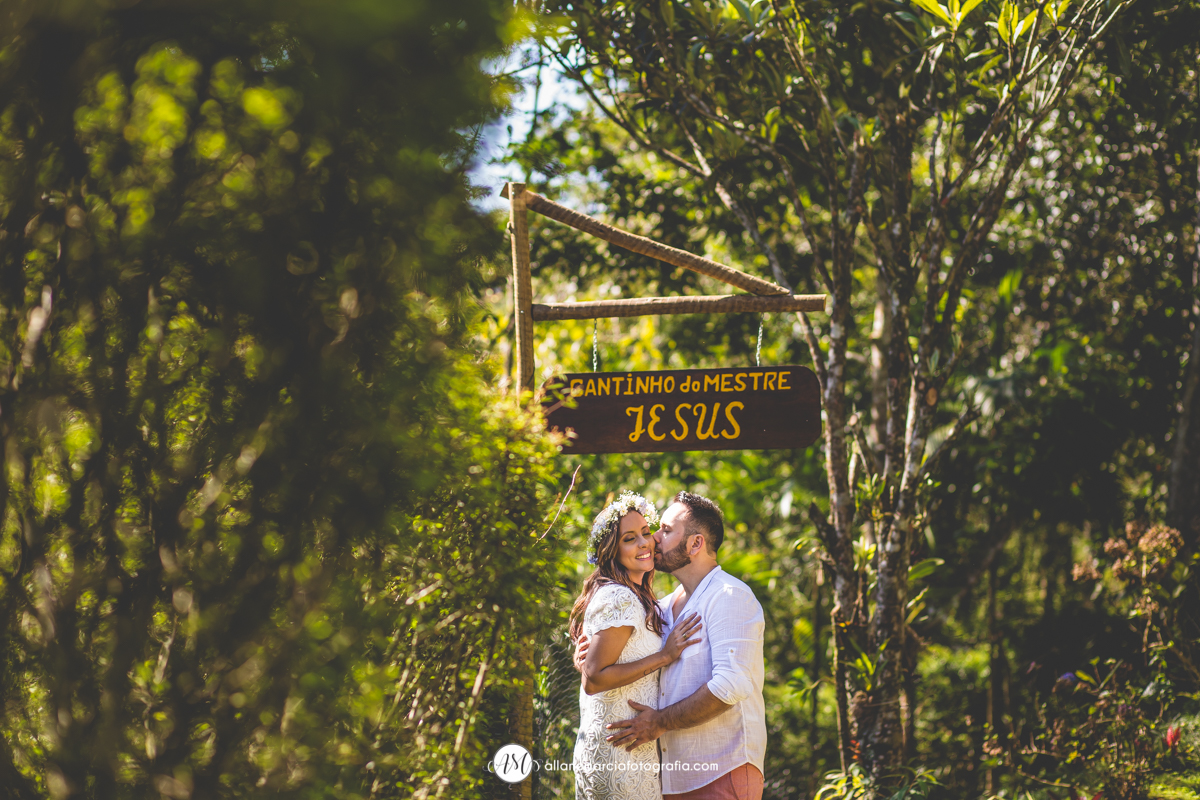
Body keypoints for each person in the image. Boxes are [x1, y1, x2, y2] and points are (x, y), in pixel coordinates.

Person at [574, 491, 766, 800]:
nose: (654, 539)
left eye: (664, 530)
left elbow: (731, 685)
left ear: (695, 543)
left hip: (721, 770)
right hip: (667, 779)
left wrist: (659, 722)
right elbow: (616, 666)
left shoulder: (730, 596)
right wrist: (585, 657)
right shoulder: (661, 608)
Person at [569, 492, 704, 800]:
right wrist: (664, 656)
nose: (645, 543)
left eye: (646, 533)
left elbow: (602, 662)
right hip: (619, 752)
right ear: (612, 551)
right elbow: (595, 679)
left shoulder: (639, 599)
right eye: (630, 539)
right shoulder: (619, 597)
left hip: (630, 748)